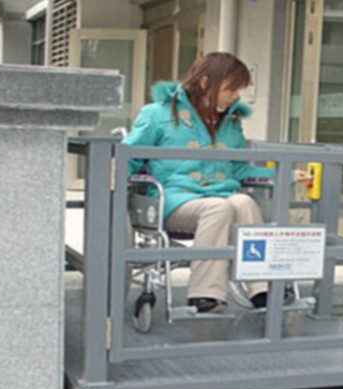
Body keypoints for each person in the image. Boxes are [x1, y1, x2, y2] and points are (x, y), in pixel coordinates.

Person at [123, 52, 309, 313]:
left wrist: (286, 176)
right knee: (218, 207)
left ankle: (262, 290)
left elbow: (240, 167)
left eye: (239, 90)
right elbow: (126, 156)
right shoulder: (157, 114)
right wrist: (112, 191)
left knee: (243, 201)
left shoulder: (230, 122)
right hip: (173, 202)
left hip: (219, 199)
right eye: (231, 88)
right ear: (205, 82)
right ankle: (204, 295)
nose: (236, 96)